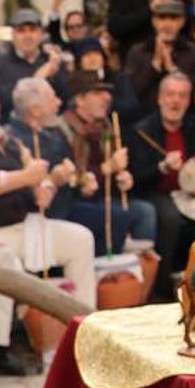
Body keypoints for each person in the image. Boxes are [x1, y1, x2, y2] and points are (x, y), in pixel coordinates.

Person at [0, 84, 97, 357]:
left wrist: (47, 185)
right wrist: (26, 178)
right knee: (5, 259)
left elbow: (36, 175)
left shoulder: (9, 140)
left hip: (22, 227)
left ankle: (84, 329)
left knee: (80, 238)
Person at [127, 72, 195, 281]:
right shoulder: (144, 129)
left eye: (182, 96)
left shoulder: (194, 125)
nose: (175, 101)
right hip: (156, 192)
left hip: (190, 194)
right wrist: (162, 168)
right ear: (160, 98)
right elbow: (136, 178)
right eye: (170, 95)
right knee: (169, 216)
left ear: (188, 101)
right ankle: (163, 284)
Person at [54, 71, 156, 255]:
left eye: (107, 92)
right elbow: (72, 177)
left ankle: (138, 272)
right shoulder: (61, 130)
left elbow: (114, 173)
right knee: (118, 216)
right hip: (75, 201)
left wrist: (123, 178)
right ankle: (112, 272)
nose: (107, 97)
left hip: (103, 197)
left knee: (145, 211)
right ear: (80, 100)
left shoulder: (106, 127)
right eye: (97, 93)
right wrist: (107, 168)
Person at [121, 0, 195, 120]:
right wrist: (154, 66)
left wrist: (172, 69)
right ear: (154, 21)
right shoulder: (138, 52)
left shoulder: (194, 53)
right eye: (162, 18)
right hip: (143, 123)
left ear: (182, 22)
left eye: (173, 18)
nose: (167, 24)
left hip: (183, 123)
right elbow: (129, 93)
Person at [0, 7, 68, 109]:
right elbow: (2, 101)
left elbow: (66, 99)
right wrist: (38, 78)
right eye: (21, 31)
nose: (27, 36)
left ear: (41, 34)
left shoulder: (53, 62)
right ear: (13, 35)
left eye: (32, 30)